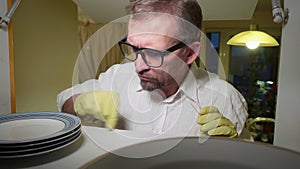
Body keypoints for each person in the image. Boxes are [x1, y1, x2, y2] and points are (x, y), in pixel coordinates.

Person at [57, 0, 248, 138]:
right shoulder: (117, 76)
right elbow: (63, 102)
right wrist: (79, 102)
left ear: (189, 53)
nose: (138, 66)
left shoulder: (225, 99)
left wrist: (232, 147)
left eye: (154, 53)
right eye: (134, 47)